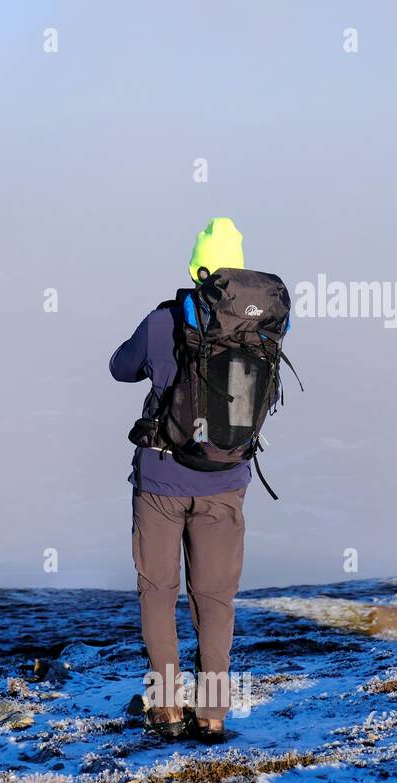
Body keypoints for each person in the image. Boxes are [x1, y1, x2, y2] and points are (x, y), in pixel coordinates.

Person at [109, 217, 251, 744]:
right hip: (226, 478)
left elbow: (121, 368)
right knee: (214, 598)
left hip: (162, 478)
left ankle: (166, 709)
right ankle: (213, 714)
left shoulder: (164, 320)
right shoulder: (258, 327)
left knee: (158, 591)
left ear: (195, 267)